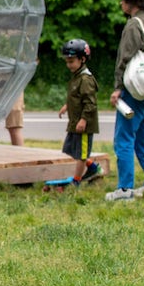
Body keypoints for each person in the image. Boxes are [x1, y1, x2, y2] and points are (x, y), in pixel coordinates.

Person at [107, 0, 144, 201]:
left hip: (134, 92)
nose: (121, 3)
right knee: (143, 136)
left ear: (132, 2)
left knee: (124, 136)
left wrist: (118, 88)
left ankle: (125, 189)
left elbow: (125, 59)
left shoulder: (133, 24)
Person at [57, 39, 102, 185]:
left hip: (84, 125)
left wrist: (84, 119)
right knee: (71, 149)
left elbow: (90, 103)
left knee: (81, 154)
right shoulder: (77, 76)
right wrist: (67, 106)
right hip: (75, 123)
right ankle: (93, 168)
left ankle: (76, 181)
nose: (68, 65)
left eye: (71, 61)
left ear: (82, 59)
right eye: (66, 61)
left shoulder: (86, 79)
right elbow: (76, 97)